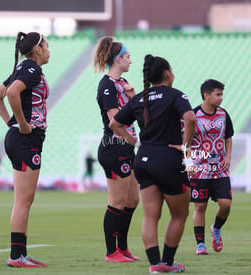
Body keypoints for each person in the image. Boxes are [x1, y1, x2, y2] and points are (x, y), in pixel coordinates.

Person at [110, 54, 196, 273]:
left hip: (144, 160)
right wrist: (186, 146)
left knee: (150, 216)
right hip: (168, 160)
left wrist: (134, 142)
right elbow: (191, 118)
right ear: (167, 74)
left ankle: (155, 264)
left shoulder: (139, 98)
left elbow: (114, 123)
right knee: (179, 214)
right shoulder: (176, 95)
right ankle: (167, 263)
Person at [0, 31, 50, 268]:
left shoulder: (25, 70)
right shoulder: (32, 69)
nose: (48, 49)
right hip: (26, 139)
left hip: (22, 138)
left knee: (24, 199)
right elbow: (11, 93)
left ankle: (20, 255)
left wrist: (10, 123)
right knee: (23, 201)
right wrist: (21, 123)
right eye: (46, 45)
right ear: (38, 49)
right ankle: (16, 256)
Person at [93, 36, 140, 263]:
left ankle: (122, 248)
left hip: (126, 147)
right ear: (119, 59)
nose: (131, 61)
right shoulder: (107, 85)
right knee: (117, 202)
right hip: (115, 147)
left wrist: (133, 98)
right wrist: (132, 140)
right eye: (128, 57)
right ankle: (111, 253)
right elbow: (114, 122)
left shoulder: (123, 84)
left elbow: (136, 115)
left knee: (132, 201)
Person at [184, 79, 234, 256]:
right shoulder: (193, 115)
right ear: (206, 95)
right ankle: (200, 245)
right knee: (200, 206)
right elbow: (186, 143)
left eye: (221, 94)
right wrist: (188, 163)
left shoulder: (223, 114)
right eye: (217, 94)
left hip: (219, 168)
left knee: (226, 204)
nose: (221, 98)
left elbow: (228, 138)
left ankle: (217, 228)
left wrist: (228, 157)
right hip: (199, 168)